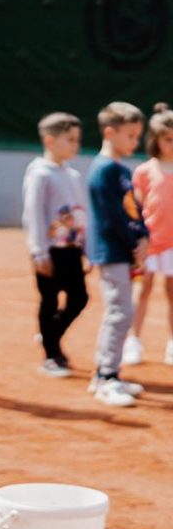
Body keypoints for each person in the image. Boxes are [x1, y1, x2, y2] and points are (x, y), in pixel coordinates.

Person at [86, 102, 149, 406]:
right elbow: (113, 217)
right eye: (131, 135)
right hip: (111, 252)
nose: (135, 142)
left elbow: (134, 210)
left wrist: (144, 237)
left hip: (123, 251)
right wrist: (134, 243)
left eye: (138, 136)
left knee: (123, 311)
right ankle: (105, 377)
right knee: (120, 311)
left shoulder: (122, 170)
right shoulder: (104, 170)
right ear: (110, 133)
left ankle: (110, 372)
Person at [22, 113, 89, 377]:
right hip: (49, 251)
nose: (76, 145)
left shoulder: (72, 174)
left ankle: (50, 335)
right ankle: (51, 355)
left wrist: (85, 247)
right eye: (70, 139)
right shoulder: (39, 173)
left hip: (71, 250)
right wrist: (38, 250)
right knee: (49, 300)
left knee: (80, 298)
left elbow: (81, 213)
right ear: (50, 140)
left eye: (77, 139)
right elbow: (33, 213)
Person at [122, 103, 173, 366]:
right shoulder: (144, 171)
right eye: (168, 139)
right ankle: (133, 341)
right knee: (142, 291)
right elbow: (135, 208)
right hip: (149, 244)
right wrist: (137, 239)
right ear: (156, 139)